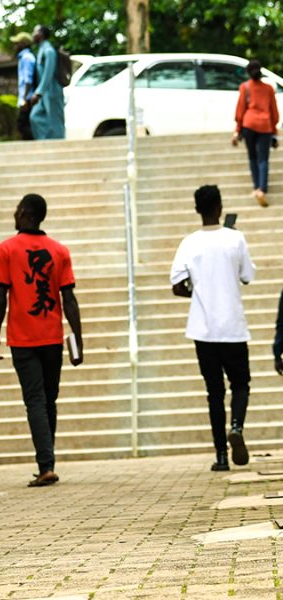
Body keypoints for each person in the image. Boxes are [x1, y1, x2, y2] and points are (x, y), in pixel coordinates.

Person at [0, 194, 83, 487]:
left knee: (35, 401)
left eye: (17, 210)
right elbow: (69, 298)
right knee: (48, 400)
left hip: (23, 339)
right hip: (52, 337)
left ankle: (46, 465)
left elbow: (0, 297)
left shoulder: (6, 250)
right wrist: (79, 338)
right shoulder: (59, 251)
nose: (14, 214)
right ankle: (48, 460)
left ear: (27, 213)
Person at [170, 185, 256, 472]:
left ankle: (220, 456)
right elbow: (247, 276)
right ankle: (237, 427)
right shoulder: (235, 239)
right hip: (232, 326)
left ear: (197, 210)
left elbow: (177, 286)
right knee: (241, 383)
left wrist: (198, 290)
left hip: (203, 329)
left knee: (214, 392)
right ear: (220, 208)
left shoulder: (189, 243)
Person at [232, 59, 279, 208]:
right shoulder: (269, 89)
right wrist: (274, 131)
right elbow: (274, 113)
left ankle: (256, 187)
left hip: (249, 124)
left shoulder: (244, 87)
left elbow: (240, 111)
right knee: (263, 159)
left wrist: (237, 130)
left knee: (252, 157)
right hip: (265, 125)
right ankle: (262, 189)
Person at [29, 25, 65, 140]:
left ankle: (60, 147)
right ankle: (46, 142)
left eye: (34, 32)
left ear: (41, 34)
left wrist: (39, 92)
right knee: (35, 117)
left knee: (55, 121)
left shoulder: (49, 50)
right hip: (44, 93)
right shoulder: (41, 50)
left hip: (52, 91)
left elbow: (48, 73)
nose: (32, 35)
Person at [10, 31, 36, 140]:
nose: (15, 46)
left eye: (17, 43)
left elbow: (27, 80)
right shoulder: (24, 57)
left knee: (23, 125)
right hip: (27, 98)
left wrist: (25, 99)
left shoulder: (26, 58)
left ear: (24, 44)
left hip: (28, 98)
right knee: (24, 125)